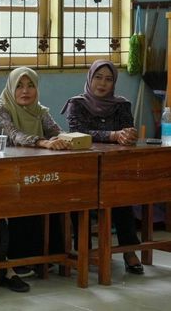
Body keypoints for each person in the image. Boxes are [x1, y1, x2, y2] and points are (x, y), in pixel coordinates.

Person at [0, 67, 70, 292]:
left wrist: (68, 140)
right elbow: (15, 135)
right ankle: (20, 258)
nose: (25, 91)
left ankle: (48, 255)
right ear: (11, 88)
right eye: (20, 86)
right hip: (1, 176)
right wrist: (44, 142)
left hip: (32, 174)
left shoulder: (40, 111)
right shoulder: (1, 110)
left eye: (30, 85)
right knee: (25, 196)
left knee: (54, 192)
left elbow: (56, 131)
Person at [61, 59, 143, 274]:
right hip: (83, 168)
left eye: (108, 79)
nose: (102, 83)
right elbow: (78, 132)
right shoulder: (76, 104)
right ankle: (84, 252)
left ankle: (129, 251)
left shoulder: (121, 105)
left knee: (120, 197)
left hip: (114, 169)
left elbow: (128, 129)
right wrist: (113, 135)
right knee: (81, 199)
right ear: (90, 78)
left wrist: (129, 135)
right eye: (98, 77)